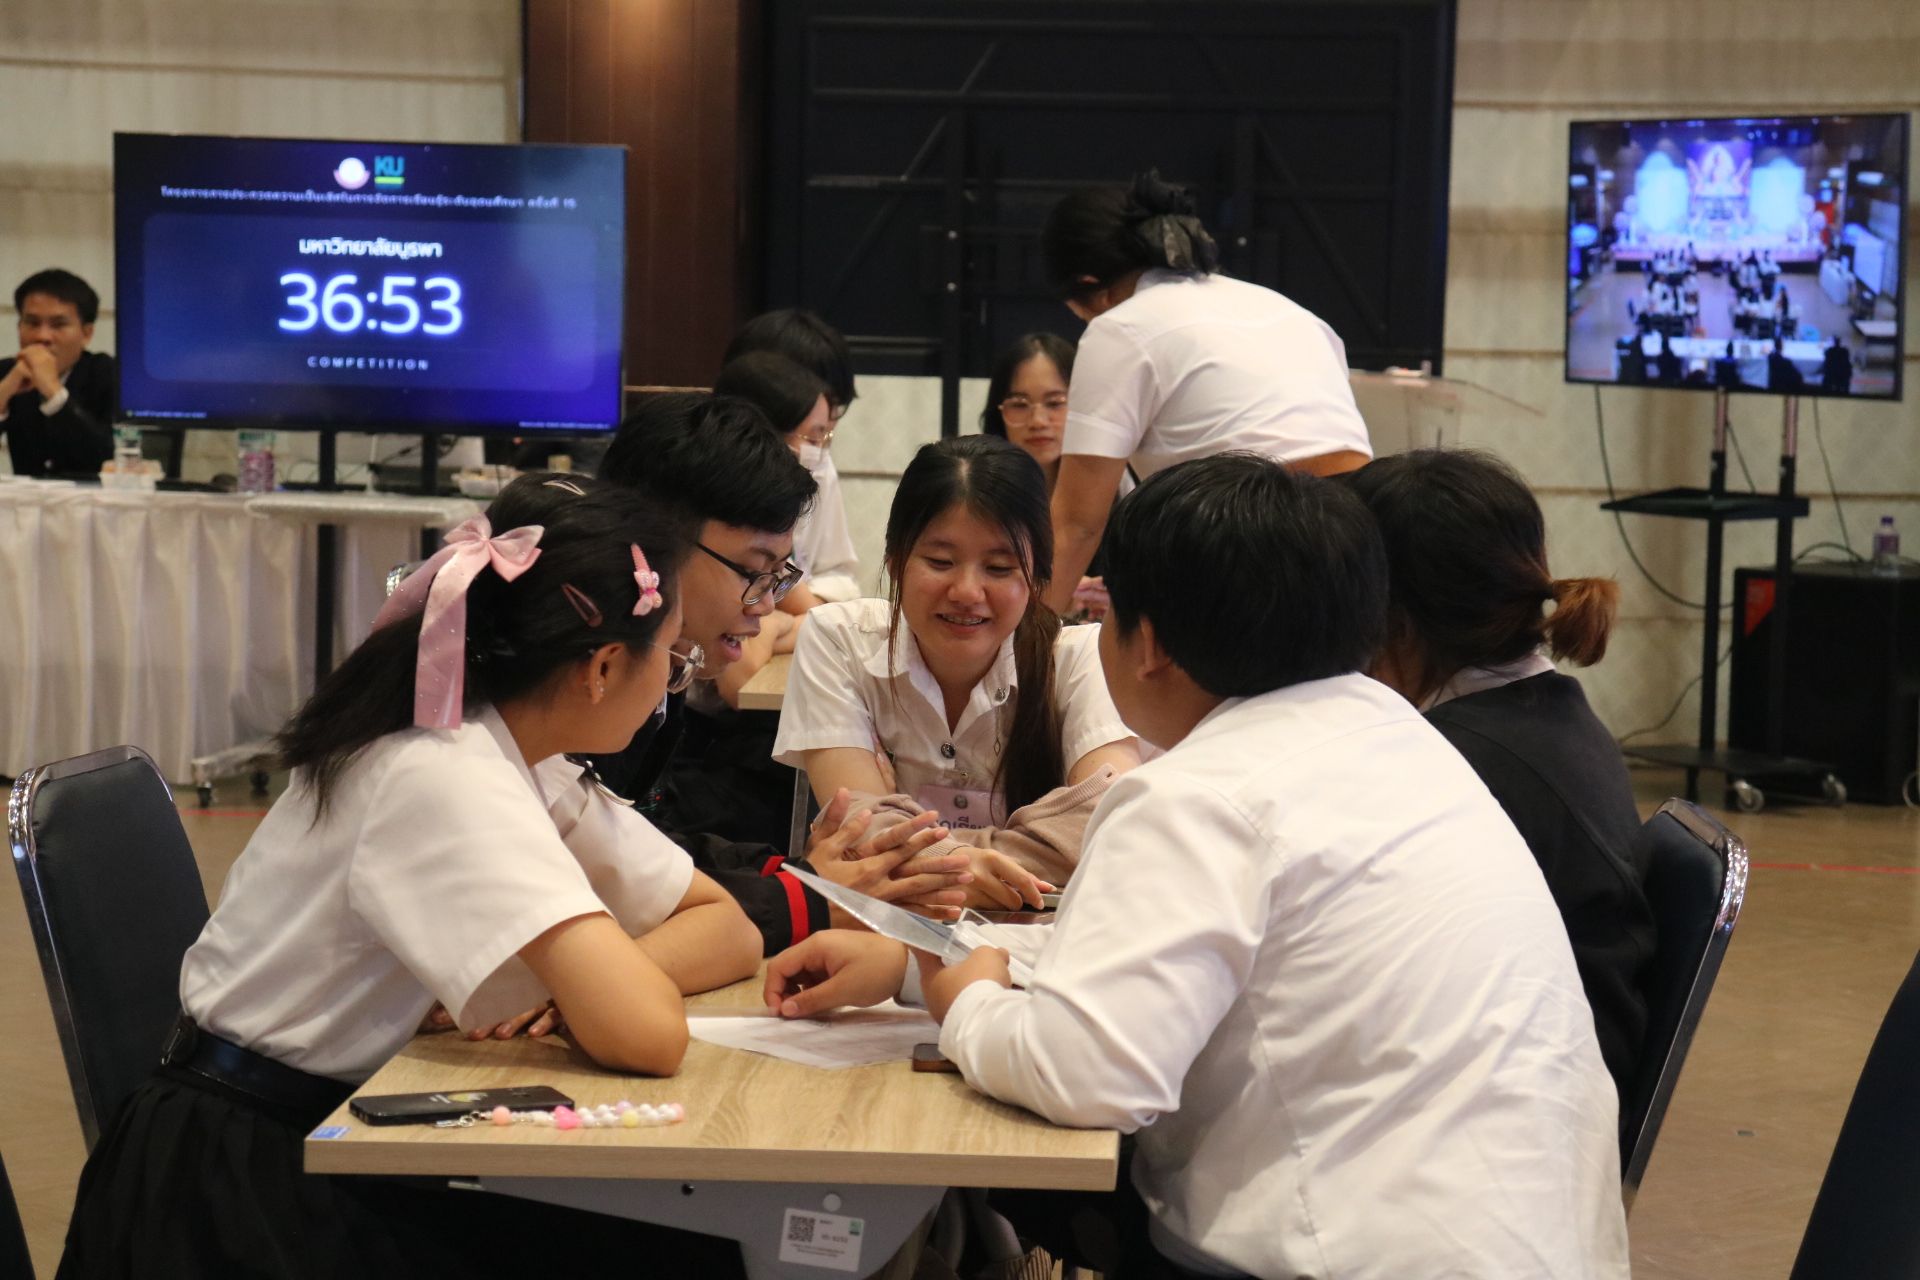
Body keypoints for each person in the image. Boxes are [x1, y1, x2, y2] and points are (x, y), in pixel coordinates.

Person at [764, 455, 1628, 1279]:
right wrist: (917, 966)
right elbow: (1163, 968)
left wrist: (966, 1003)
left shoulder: (1197, 795)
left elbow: (1089, 1075)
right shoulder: (1404, 742)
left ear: (1148, 643)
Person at [58, 474, 763, 1277]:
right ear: (603, 666)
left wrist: (561, 989)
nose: (672, 684)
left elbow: (728, 930)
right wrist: (587, 989)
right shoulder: (444, 773)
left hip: (314, 1132)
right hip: (242, 1185)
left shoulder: (500, 749)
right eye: (672, 657)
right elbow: (649, 1034)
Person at [595, 393, 973, 945]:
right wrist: (806, 895)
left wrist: (798, 875)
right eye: (754, 571)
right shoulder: (579, 678)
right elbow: (603, 880)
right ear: (654, 547)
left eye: (779, 575)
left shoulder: (667, 662)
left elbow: (645, 844)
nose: (767, 603)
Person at [1344, 449, 1655, 1099]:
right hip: (1544, 1072)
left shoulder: (1450, 765)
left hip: (1516, 1095)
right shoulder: (1547, 714)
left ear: (1390, 622)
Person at [775, 435, 1140, 908]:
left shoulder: (1079, 656)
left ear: (1037, 579)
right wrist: (981, 865)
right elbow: (858, 823)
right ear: (895, 561)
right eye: (941, 562)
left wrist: (940, 861)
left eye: (999, 567)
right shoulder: (837, 638)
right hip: (892, 927)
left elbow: (1106, 819)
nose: (967, 591)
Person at [1038, 170, 1373, 613]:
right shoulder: (1285, 307)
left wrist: (1019, 642)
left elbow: (1078, 524)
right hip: (1362, 537)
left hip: (1250, 540)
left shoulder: (1119, 328)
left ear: (1088, 287)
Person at [713, 350, 860, 602]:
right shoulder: (728, 500)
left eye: (824, 437)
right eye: (812, 438)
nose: (820, 452)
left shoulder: (818, 469)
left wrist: (807, 613)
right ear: (766, 432)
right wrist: (808, 613)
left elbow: (841, 576)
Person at [980, 332, 1110, 615]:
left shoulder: (1118, 488)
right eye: (1019, 404)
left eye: (1055, 403)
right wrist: (1060, 593)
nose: (1038, 421)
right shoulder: (977, 492)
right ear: (998, 413)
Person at [1, 268, 118, 478]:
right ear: (19, 327)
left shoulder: (108, 374)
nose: (42, 336)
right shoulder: (7, 372)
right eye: (32, 323)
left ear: (86, 334)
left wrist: (54, 394)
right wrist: (3, 394)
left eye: (58, 325)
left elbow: (110, 459)